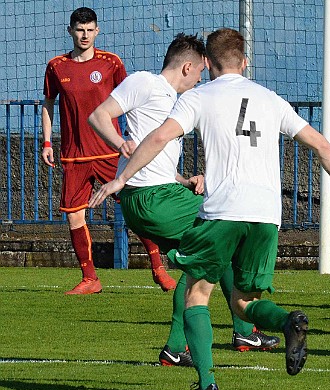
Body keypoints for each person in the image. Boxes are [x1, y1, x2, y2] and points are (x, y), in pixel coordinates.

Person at [88, 28, 330, 390]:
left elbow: (157, 138)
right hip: (267, 216)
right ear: (245, 62)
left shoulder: (200, 97)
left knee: (196, 294)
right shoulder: (271, 99)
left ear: (209, 64)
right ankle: (286, 321)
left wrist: (121, 179)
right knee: (243, 302)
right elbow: (320, 143)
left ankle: (207, 386)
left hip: (222, 210)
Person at [88, 33, 279, 368]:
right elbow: (99, 115)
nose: (201, 81)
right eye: (200, 75)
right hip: (151, 197)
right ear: (188, 67)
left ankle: (188, 345)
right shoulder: (145, 83)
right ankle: (238, 331)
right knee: (222, 233)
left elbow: (156, 154)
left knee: (211, 255)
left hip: (161, 191)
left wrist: (184, 178)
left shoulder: (171, 100)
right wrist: (120, 143)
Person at [42, 7, 176, 295]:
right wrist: (47, 142)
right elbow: (48, 103)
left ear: (97, 31)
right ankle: (90, 278)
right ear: (70, 31)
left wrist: (134, 137)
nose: (85, 35)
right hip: (74, 154)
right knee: (75, 215)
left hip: (110, 152)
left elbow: (131, 100)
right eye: (79, 29)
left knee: (133, 209)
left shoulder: (111, 63)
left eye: (90, 29)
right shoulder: (56, 66)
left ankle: (158, 269)